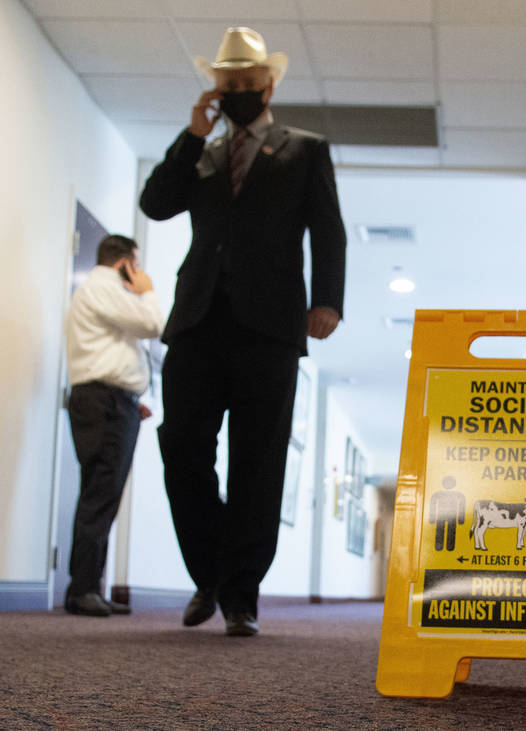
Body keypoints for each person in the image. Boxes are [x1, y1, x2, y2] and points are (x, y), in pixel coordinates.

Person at [139, 26, 346, 637]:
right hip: (197, 321)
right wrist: (192, 134)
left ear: (268, 85)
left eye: (245, 85)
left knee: (258, 461)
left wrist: (328, 301)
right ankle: (210, 572)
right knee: (182, 449)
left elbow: (327, 230)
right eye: (225, 85)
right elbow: (156, 205)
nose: (235, 93)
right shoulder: (200, 153)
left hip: (271, 327)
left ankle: (241, 596)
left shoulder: (305, 149)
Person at [64, 234, 163, 617]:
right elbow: (153, 323)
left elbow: (120, 348)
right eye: (136, 265)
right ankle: (82, 590)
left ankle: (89, 587)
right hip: (103, 401)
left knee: (103, 494)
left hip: (113, 402)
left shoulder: (102, 293)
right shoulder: (102, 287)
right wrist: (149, 290)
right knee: (100, 493)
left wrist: (132, 398)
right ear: (124, 264)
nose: (139, 272)